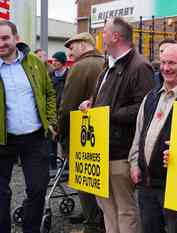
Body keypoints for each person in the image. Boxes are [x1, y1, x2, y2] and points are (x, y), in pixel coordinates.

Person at [79, 16, 155, 233]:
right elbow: (104, 101)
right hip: (102, 151)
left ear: (115, 36)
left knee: (125, 210)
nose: (101, 36)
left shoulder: (140, 67)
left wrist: (106, 113)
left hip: (121, 153)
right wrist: (90, 104)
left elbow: (145, 107)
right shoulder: (108, 67)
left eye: (104, 32)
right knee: (107, 208)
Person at [129, 44, 177, 233]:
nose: (165, 68)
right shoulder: (151, 97)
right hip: (147, 186)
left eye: (172, 63)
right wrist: (134, 163)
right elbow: (139, 135)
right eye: (163, 62)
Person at [0, 20, 56, 233]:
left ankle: (31, 229)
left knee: (38, 188)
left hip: (34, 138)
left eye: (5, 38)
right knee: (1, 194)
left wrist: (50, 120)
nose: (1, 43)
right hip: (3, 139)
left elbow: (49, 93)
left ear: (16, 38)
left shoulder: (33, 62)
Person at [58, 32, 105, 233]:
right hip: (103, 130)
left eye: (73, 45)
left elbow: (68, 104)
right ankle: (95, 216)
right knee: (99, 178)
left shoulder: (80, 66)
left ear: (85, 45)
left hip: (81, 131)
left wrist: (60, 130)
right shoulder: (106, 62)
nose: (70, 50)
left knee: (85, 178)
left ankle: (92, 222)